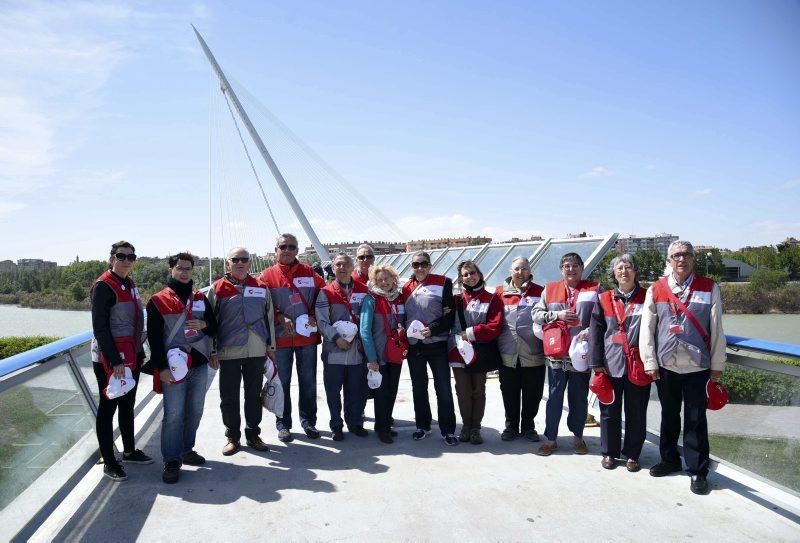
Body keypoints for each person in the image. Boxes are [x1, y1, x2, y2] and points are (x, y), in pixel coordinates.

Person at [640, 240, 726, 494]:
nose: (682, 259)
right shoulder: (656, 289)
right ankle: (669, 459)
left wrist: (717, 364)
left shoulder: (709, 287)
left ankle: (698, 470)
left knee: (696, 420)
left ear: (693, 259)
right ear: (669, 260)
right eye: (676, 255)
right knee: (668, 415)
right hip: (666, 365)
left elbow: (717, 328)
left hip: (698, 365)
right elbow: (647, 329)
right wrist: (649, 361)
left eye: (687, 254)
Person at [147, 252, 217, 483]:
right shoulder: (158, 300)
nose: (184, 272)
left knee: (195, 410)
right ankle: (171, 460)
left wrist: (205, 324)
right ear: (171, 270)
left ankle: (186, 450)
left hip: (198, 365)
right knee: (174, 414)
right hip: (174, 368)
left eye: (188, 268)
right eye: (180, 268)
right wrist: (162, 368)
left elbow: (215, 327)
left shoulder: (199, 297)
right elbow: (154, 340)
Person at [90, 241, 153, 481]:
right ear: (112, 258)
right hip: (110, 359)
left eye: (131, 256)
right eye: (121, 255)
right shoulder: (104, 286)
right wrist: (115, 360)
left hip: (131, 354)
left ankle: (129, 451)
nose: (126, 260)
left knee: (128, 403)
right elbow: (101, 328)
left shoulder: (129, 283)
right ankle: (109, 461)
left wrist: (139, 352)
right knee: (108, 408)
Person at [208, 247, 275, 455]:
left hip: (256, 350)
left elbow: (269, 318)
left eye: (244, 259)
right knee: (228, 397)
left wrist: (271, 347)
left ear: (249, 262)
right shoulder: (217, 288)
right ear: (227, 263)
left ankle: (253, 434)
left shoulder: (261, 287)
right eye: (235, 259)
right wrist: (212, 351)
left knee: (253, 395)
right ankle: (232, 437)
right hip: (228, 352)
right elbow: (209, 322)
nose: (240, 262)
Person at [533, 252, 601, 456]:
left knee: (578, 399)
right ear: (561, 269)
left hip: (580, 355)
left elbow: (604, 316)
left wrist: (591, 330)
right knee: (554, 398)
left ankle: (578, 437)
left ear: (582, 267)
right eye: (567, 266)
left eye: (575, 265)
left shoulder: (595, 288)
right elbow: (535, 314)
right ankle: (551, 439)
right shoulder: (550, 288)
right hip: (556, 354)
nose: (571, 269)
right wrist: (557, 315)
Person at [261, 233, 326, 442]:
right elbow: (260, 307)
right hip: (280, 341)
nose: (287, 250)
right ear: (276, 250)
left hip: (306, 339)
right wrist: (279, 317)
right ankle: (283, 424)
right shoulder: (266, 276)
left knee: (308, 382)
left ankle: (309, 422)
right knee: (282, 383)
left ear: (297, 250)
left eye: (291, 246)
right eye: (283, 246)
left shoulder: (311, 273)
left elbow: (325, 297)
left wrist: (316, 316)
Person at [588, 254, 650, 472]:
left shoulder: (647, 296)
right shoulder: (603, 298)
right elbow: (596, 332)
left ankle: (633, 454)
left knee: (636, 412)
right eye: (619, 268)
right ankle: (609, 452)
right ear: (613, 273)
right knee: (609, 412)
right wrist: (596, 363)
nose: (624, 271)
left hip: (639, 365)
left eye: (628, 267)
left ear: (635, 271)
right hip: (610, 363)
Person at [402, 251, 458, 445]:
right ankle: (422, 425)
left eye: (423, 263)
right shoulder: (405, 287)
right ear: (412, 267)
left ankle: (448, 429)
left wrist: (432, 329)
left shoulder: (444, 282)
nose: (420, 267)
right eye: (416, 264)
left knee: (443, 388)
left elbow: (449, 315)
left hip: (437, 344)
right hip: (414, 346)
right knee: (419, 387)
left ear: (430, 264)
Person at [316, 253, 369, 440]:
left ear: (353, 266)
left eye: (346, 264)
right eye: (337, 264)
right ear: (333, 268)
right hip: (334, 351)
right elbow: (321, 322)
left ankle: (355, 423)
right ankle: (336, 425)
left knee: (355, 390)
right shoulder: (326, 292)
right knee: (333, 391)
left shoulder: (365, 290)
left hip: (357, 351)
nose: (341, 267)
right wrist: (336, 338)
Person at [450, 260, 503, 445]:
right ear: (460, 278)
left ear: (479, 274)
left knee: (478, 390)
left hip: (479, 352)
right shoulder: (455, 299)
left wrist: (470, 333)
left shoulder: (492, 298)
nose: (469, 277)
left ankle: (475, 428)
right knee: (463, 391)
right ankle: (465, 425)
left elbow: (495, 326)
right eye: (465, 275)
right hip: (457, 352)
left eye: (472, 273)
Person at [496, 256, 546, 442]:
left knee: (533, 393)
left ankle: (528, 426)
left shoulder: (540, 292)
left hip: (533, 353)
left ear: (530, 270)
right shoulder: (500, 293)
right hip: (507, 353)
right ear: (511, 271)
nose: (520, 272)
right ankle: (510, 426)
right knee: (509, 391)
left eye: (524, 269)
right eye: (517, 269)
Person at [359, 264, 406, 443]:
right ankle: (382, 428)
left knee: (392, 391)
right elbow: (364, 331)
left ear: (394, 279)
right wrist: (372, 359)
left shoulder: (399, 299)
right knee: (382, 393)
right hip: (379, 355)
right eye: (379, 280)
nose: (384, 282)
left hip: (395, 353)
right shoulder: (371, 300)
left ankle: (384, 423)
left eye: (387, 278)